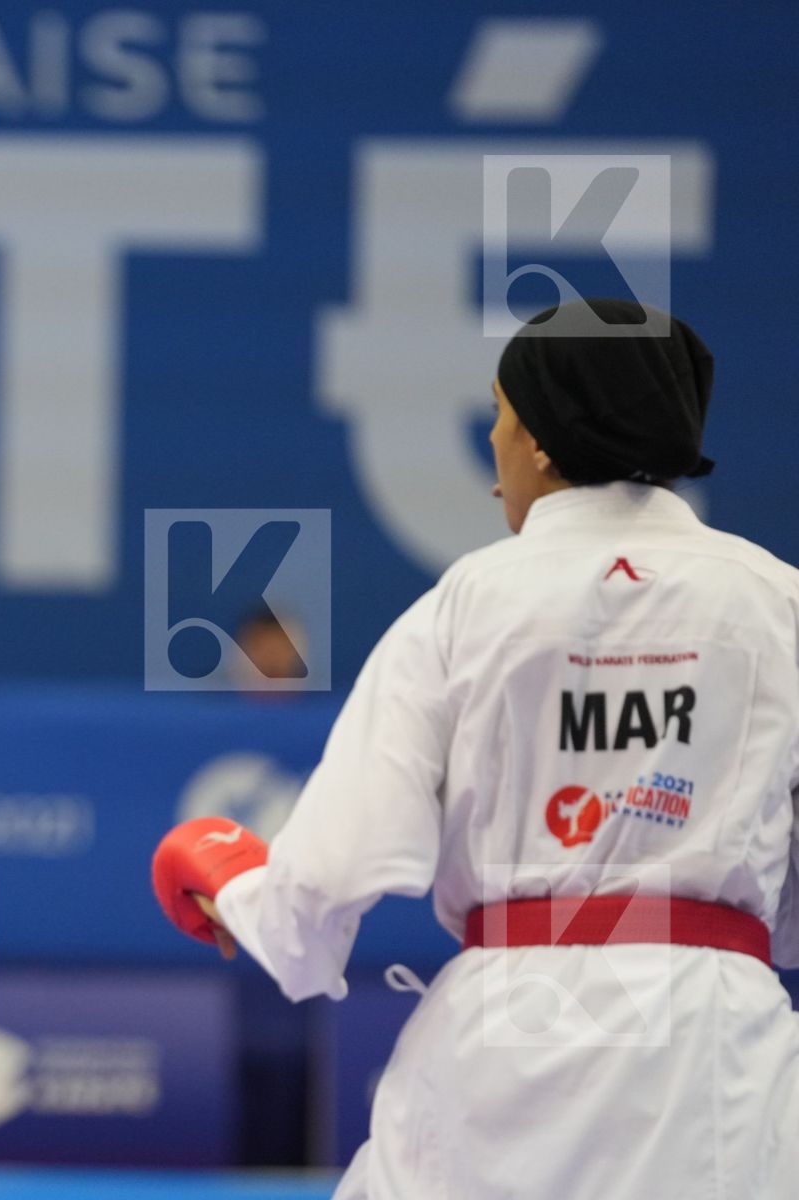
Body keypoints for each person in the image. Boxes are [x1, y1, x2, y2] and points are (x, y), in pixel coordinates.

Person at [154, 298, 799, 1198]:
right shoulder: (777, 605)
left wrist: (231, 882)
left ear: (539, 441)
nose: (494, 460)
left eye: (497, 416)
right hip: (722, 1051)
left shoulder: (470, 606)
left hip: (508, 1046)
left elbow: (329, 879)